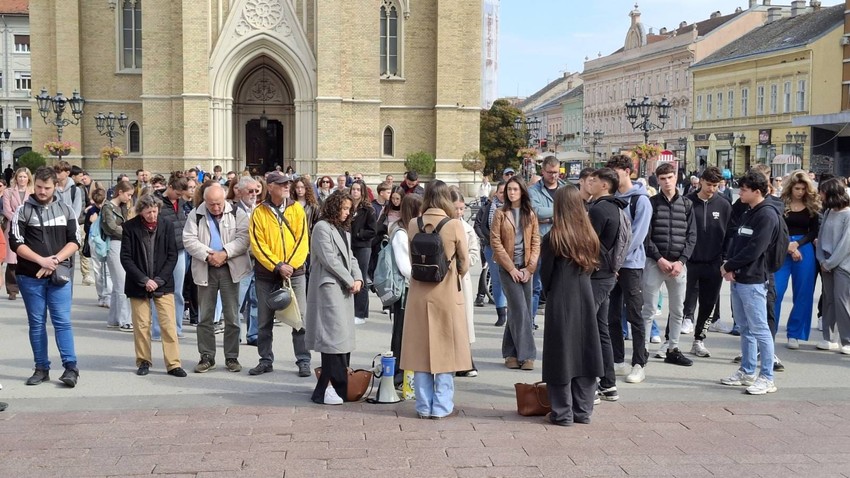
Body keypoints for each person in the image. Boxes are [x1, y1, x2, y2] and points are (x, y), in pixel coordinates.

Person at [400, 180, 470, 419]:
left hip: (419, 292)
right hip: (446, 292)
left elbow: (411, 259)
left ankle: (422, 405)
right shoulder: (453, 225)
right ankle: (441, 407)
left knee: (420, 352)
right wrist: (453, 273)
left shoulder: (413, 224)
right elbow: (465, 262)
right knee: (445, 351)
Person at [9, 167, 81, 387]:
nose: (42, 191)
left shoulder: (66, 209)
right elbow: (16, 243)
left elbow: (76, 241)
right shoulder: (22, 211)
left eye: (46, 187)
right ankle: (41, 368)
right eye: (38, 186)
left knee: (62, 322)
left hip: (59, 276)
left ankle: (71, 368)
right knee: (37, 323)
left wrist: (55, 261)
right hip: (30, 276)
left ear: (55, 187)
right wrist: (42, 261)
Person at [540, 186, 603, 426]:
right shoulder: (589, 235)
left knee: (560, 354)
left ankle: (562, 412)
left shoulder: (554, 237)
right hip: (585, 296)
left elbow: (545, 275)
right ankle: (583, 411)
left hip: (560, 297)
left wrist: (550, 293)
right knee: (585, 352)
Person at [720, 171, 779, 395]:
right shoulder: (748, 211)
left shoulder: (767, 215)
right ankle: (747, 371)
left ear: (757, 191)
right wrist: (731, 265)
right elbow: (738, 240)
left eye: (744, 189)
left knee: (760, 328)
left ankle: (767, 376)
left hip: (753, 279)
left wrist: (729, 266)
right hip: (739, 277)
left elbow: (756, 248)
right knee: (745, 328)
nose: (740, 192)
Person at [247, 171, 312, 377]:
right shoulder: (259, 212)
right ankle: (265, 359)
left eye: (288, 184)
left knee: (299, 318)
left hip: (295, 273)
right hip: (267, 274)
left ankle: (303, 360)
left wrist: (290, 265)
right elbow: (258, 244)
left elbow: (303, 240)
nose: (287, 187)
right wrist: (277, 265)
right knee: (264, 321)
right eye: (282, 184)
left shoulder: (297, 210)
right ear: (271, 186)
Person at [184, 183, 251, 373]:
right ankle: (207, 356)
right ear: (205, 201)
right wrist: (209, 255)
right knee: (205, 316)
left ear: (225, 199)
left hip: (230, 268)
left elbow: (244, 238)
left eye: (219, 203)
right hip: (206, 267)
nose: (216, 208)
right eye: (212, 204)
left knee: (232, 316)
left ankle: (232, 357)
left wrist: (225, 253)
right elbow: (189, 239)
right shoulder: (195, 214)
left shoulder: (236, 212)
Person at [305, 191, 363, 405]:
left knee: (340, 339)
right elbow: (329, 259)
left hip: (343, 287)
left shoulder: (343, 229)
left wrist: (358, 278)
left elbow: (351, 256)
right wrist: (350, 280)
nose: (347, 213)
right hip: (328, 286)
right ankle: (329, 387)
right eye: (344, 208)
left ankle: (334, 386)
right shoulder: (321, 228)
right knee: (332, 339)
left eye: (349, 209)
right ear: (334, 207)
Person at [120, 194, 187, 378]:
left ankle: (173, 364)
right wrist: (143, 280)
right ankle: (143, 361)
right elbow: (126, 258)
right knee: (142, 325)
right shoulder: (130, 227)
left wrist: (159, 280)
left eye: (155, 211)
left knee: (168, 325)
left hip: (162, 283)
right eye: (148, 212)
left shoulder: (166, 225)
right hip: (138, 283)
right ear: (141, 211)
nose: (152, 215)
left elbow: (172, 255)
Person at [642, 162, 697, 369]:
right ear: (657, 180)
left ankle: (673, 348)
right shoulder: (651, 203)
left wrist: (681, 261)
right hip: (656, 263)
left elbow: (692, 236)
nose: (667, 182)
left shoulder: (687, 204)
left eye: (670, 177)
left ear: (676, 178)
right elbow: (646, 236)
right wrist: (659, 259)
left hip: (678, 266)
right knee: (648, 310)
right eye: (663, 178)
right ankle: (644, 350)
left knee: (677, 310)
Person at [605, 154, 652, 384]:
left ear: (627, 171)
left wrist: (617, 258)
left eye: (617, 171)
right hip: (611, 265)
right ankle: (617, 359)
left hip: (631, 264)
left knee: (635, 315)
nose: (613, 176)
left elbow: (637, 236)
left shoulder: (640, 200)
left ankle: (639, 362)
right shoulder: (611, 198)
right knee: (612, 314)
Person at [490, 176, 541, 371]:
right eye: (509, 189)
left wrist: (530, 269)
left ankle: (510, 353)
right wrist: (510, 268)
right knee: (519, 309)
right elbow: (495, 242)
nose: (511, 193)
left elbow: (536, 242)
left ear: (522, 192)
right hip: (507, 267)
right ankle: (528, 355)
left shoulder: (531, 214)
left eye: (515, 189)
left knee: (523, 309)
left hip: (526, 266)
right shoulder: (500, 214)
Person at [683, 167, 732, 358]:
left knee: (708, 303)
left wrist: (725, 259)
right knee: (681, 302)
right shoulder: (687, 201)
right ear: (700, 181)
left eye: (716, 185)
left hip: (714, 261)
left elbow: (729, 234)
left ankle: (699, 340)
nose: (712, 189)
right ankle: (671, 342)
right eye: (709, 184)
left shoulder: (724, 204)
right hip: (689, 260)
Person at [586, 168, 626, 401]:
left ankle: (590, 386)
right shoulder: (617, 208)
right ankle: (608, 384)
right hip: (608, 273)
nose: (590, 183)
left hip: (596, 275)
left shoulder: (599, 210)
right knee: (601, 330)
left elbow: (589, 244)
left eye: (594, 180)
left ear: (604, 186)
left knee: (588, 329)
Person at [775, 170, 821, 350]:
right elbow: (776, 226)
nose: (800, 192)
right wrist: (788, 245)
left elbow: (814, 231)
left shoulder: (812, 206)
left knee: (803, 293)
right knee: (776, 292)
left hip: (805, 247)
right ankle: (769, 330)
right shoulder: (781, 204)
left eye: (803, 188)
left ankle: (794, 333)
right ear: (790, 188)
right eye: (797, 188)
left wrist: (797, 245)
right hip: (782, 246)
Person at [529, 156, 571, 328]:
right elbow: (536, 211)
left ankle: (561, 322)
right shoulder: (534, 191)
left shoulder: (566, 188)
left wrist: (550, 216)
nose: (554, 176)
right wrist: (560, 211)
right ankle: (530, 321)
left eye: (556, 172)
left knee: (561, 284)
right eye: (550, 172)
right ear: (543, 171)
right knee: (536, 285)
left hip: (563, 242)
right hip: (541, 242)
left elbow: (572, 210)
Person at [388, 194, 421, 386]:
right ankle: (398, 372)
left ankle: (403, 370)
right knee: (401, 331)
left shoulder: (410, 230)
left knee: (407, 331)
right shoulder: (400, 233)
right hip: (405, 290)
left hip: (410, 287)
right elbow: (404, 267)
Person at [151, 176, 190, 341]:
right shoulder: (157, 201)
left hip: (180, 250)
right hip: (161, 251)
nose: (180, 197)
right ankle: (158, 330)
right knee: (159, 290)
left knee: (178, 292)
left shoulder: (181, 203)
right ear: (171, 187)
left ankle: (176, 327)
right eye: (178, 193)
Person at [815, 177, 850, 353]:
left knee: (842, 301)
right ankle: (829, 338)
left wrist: (829, 262)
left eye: (822, 192)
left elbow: (845, 244)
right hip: (826, 262)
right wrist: (822, 259)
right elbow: (821, 238)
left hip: (843, 264)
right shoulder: (828, 212)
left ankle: (847, 340)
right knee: (828, 300)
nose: (819, 195)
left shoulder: (848, 214)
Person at [451, 188, 480, 377]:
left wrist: (463, 263)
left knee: (464, 320)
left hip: (463, 277)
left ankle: (465, 360)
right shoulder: (444, 225)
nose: (460, 212)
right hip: (447, 279)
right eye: (456, 208)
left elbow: (474, 253)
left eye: (462, 209)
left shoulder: (468, 229)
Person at [101, 181, 135, 332]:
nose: (129, 198)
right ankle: (125, 320)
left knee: (117, 284)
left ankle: (114, 319)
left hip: (121, 244)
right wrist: (128, 232)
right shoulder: (107, 207)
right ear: (120, 192)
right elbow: (111, 228)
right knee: (122, 283)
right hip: (113, 244)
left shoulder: (121, 207)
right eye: (128, 194)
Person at [232, 177, 261, 345]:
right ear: (239, 191)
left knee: (256, 300)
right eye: (250, 191)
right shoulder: (233, 211)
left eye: (256, 191)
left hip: (258, 262)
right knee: (238, 300)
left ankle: (254, 335)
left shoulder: (260, 209)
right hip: (241, 261)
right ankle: (234, 335)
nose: (254, 194)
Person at [474, 182, 507, 325]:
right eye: (501, 192)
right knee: (497, 280)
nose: (504, 195)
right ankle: (501, 313)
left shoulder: (516, 209)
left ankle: (511, 310)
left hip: (511, 249)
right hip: (491, 248)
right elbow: (482, 226)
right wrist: (493, 240)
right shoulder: (489, 208)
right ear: (495, 194)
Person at [349, 180, 377, 324]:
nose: (355, 192)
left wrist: (359, 234)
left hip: (363, 246)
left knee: (361, 278)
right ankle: (350, 309)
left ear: (362, 192)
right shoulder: (347, 207)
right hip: (349, 245)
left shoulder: (368, 209)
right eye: (353, 189)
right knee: (350, 277)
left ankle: (360, 313)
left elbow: (373, 230)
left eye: (358, 190)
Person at [3, 167, 32, 300]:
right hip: (12, 226)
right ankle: (12, 289)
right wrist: (17, 219)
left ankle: (27, 287)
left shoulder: (32, 192)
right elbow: (7, 210)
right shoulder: (8, 192)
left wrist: (26, 220)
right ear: (16, 178)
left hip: (29, 228)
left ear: (28, 178)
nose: (22, 179)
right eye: (20, 177)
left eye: (24, 177)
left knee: (27, 258)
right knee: (12, 259)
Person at [83, 188, 112, 308]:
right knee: (98, 270)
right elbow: (86, 228)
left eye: (102, 202)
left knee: (108, 270)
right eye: (97, 203)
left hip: (107, 240)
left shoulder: (109, 208)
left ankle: (108, 295)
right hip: (95, 240)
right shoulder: (92, 211)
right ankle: (101, 296)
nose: (100, 205)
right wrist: (91, 222)